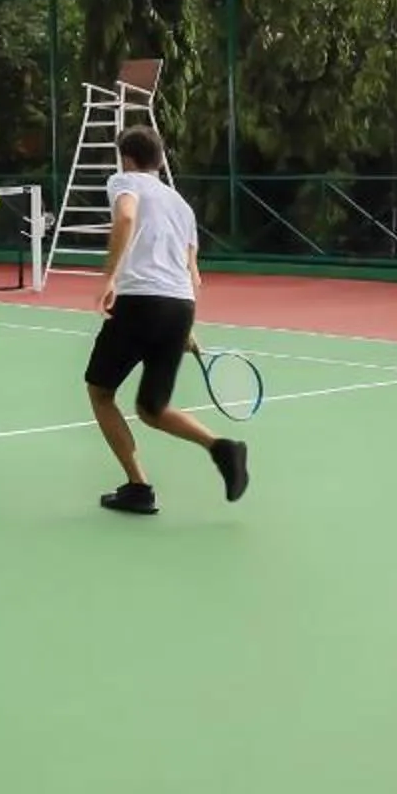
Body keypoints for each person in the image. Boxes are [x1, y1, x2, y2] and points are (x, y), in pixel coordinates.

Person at [85, 125, 248, 515]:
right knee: (152, 408)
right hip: (179, 306)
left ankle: (139, 487)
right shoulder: (181, 205)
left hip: (141, 301)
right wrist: (184, 327)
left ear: (127, 158)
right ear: (160, 160)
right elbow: (192, 273)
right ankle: (222, 448)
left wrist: (109, 277)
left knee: (100, 391)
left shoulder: (124, 181)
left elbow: (125, 218)